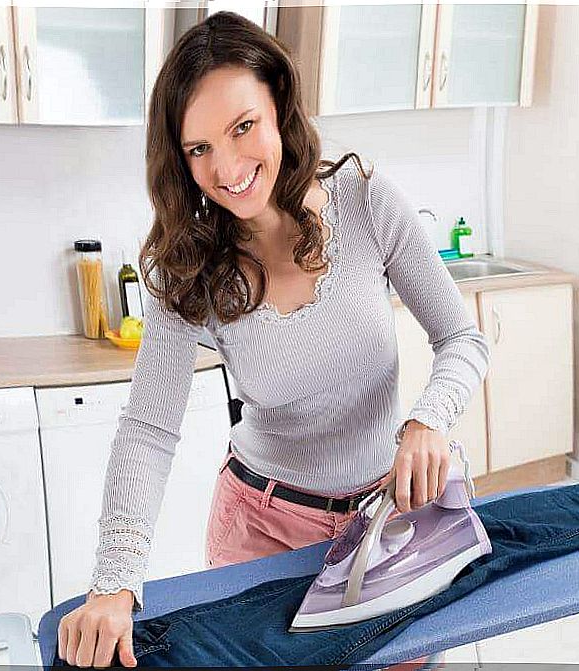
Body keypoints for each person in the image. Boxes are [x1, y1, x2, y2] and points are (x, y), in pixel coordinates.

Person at [56, 10, 490, 670]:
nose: (227, 168)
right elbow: (148, 429)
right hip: (260, 529)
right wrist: (114, 580)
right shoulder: (188, 269)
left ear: (278, 104)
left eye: (242, 127)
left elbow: (461, 337)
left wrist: (428, 420)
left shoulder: (365, 201)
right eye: (198, 149)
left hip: (387, 522)